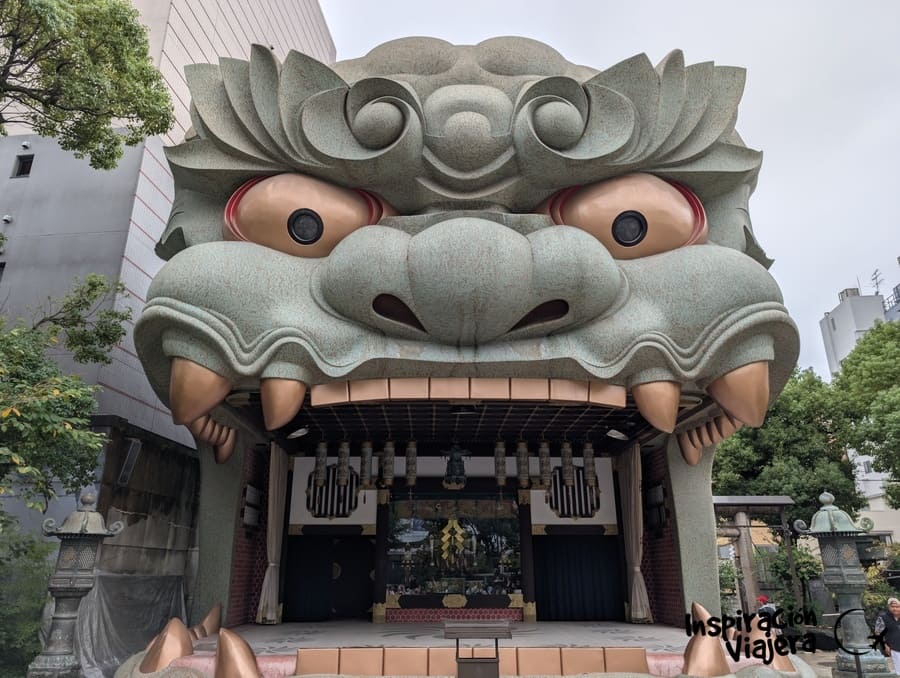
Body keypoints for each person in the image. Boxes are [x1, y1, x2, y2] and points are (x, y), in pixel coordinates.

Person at [875, 597, 900, 673]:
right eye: (892, 607)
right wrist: (885, 646)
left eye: (897, 607)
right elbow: (878, 633)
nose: (895, 609)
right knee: (898, 671)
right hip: (893, 647)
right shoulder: (883, 617)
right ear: (889, 607)